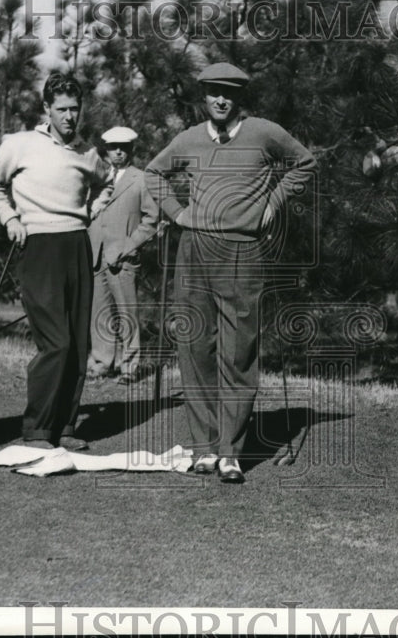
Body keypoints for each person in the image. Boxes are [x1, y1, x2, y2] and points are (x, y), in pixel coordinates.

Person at [145, 62, 317, 483]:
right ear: (203, 97)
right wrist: (177, 214)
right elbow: (153, 173)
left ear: (240, 97)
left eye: (229, 93)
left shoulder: (263, 132)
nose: (221, 100)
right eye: (213, 92)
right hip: (194, 249)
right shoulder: (189, 138)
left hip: (242, 251)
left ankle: (230, 453)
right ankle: (204, 448)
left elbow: (305, 163)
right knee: (195, 346)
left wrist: (273, 202)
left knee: (239, 350)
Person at [0, 72, 111, 451]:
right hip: (38, 245)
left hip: (77, 244)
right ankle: (37, 429)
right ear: (47, 108)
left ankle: (65, 428)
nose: (70, 116)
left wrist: (92, 210)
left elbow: (106, 183)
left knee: (78, 343)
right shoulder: (20, 144)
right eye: (62, 109)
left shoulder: (87, 152)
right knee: (56, 342)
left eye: (75, 109)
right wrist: (10, 218)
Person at [87, 126, 159, 383]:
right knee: (99, 312)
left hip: (123, 258)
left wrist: (129, 247)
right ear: (105, 150)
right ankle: (101, 363)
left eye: (124, 148)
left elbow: (151, 220)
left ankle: (129, 367)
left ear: (131, 149)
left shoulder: (141, 179)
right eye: (113, 147)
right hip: (96, 254)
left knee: (127, 313)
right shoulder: (95, 178)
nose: (118, 152)